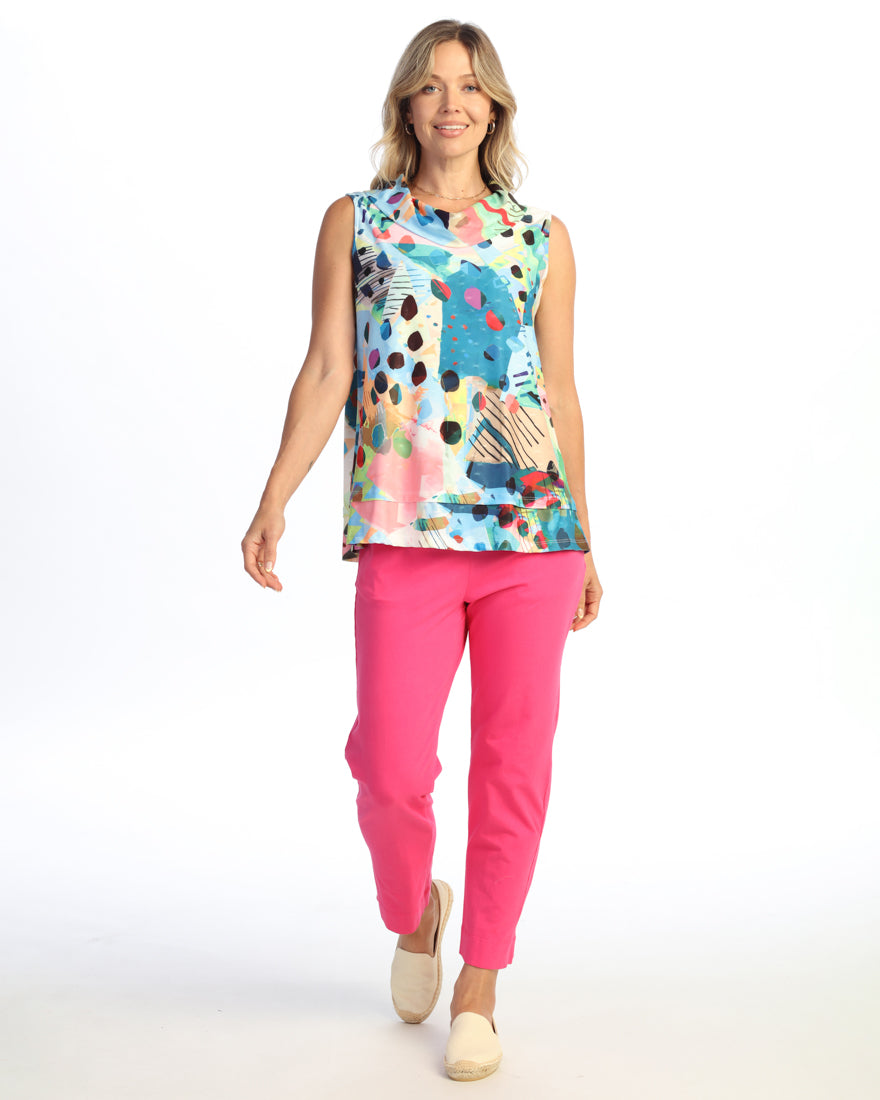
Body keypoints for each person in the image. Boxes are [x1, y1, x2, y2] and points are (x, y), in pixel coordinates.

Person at [241, 19, 603, 1083]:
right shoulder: (357, 223)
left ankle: (480, 982)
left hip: (529, 529)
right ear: (406, 104)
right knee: (392, 766)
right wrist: (275, 496)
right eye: (433, 85)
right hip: (402, 527)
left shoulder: (541, 237)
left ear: (495, 108)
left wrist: (585, 535)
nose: (453, 102)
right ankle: (415, 912)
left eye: (471, 86)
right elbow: (327, 369)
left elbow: (561, 391)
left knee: (514, 762)